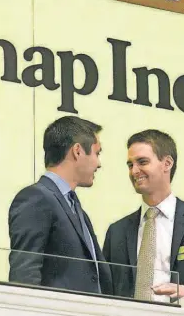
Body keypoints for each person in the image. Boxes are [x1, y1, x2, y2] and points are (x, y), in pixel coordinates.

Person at [103, 129, 184, 302]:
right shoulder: (117, 232)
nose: (134, 171)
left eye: (142, 162)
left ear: (167, 163)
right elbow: (105, 289)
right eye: (130, 165)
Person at [8, 116, 112, 294]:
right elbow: (24, 275)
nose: (99, 163)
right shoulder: (35, 198)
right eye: (97, 153)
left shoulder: (76, 208)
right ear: (77, 151)